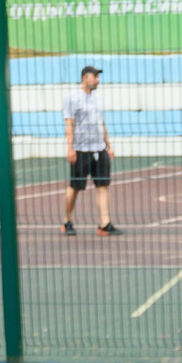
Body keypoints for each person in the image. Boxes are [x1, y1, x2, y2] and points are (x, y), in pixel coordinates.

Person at [62, 64, 118, 236]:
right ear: (85, 78)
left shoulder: (98, 99)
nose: (97, 80)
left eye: (98, 77)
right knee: (75, 186)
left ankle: (104, 223)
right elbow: (69, 124)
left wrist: (108, 146)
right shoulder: (73, 98)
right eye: (95, 76)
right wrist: (70, 148)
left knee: (102, 185)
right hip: (81, 149)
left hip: (98, 147)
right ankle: (67, 220)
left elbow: (101, 123)